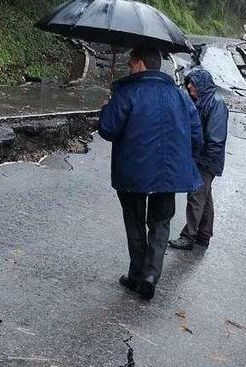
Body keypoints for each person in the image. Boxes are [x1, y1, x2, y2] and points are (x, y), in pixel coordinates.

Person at [98, 45, 203, 300]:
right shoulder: (180, 96)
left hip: (132, 172)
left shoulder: (126, 92)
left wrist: (106, 108)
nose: (128, 67)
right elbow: (196, 134)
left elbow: (108, 130)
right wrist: (183, 160)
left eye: (131, 63)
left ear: (141, 64)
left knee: (134, 222)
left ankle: (136, 274)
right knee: (160, 223)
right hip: (168, 175)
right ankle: (150, 275)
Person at [168, 69, 229, 251]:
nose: (189, 86)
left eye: (193, 83)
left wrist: (202, 159)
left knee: (195, 196)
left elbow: (215, 138)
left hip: (206, 160)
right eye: (188, 83)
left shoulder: (216, 104)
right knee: (205, 197)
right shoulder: (202, 102)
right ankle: (203, 235)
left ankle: (188, 236)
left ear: (201, 85)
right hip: (204, 158)